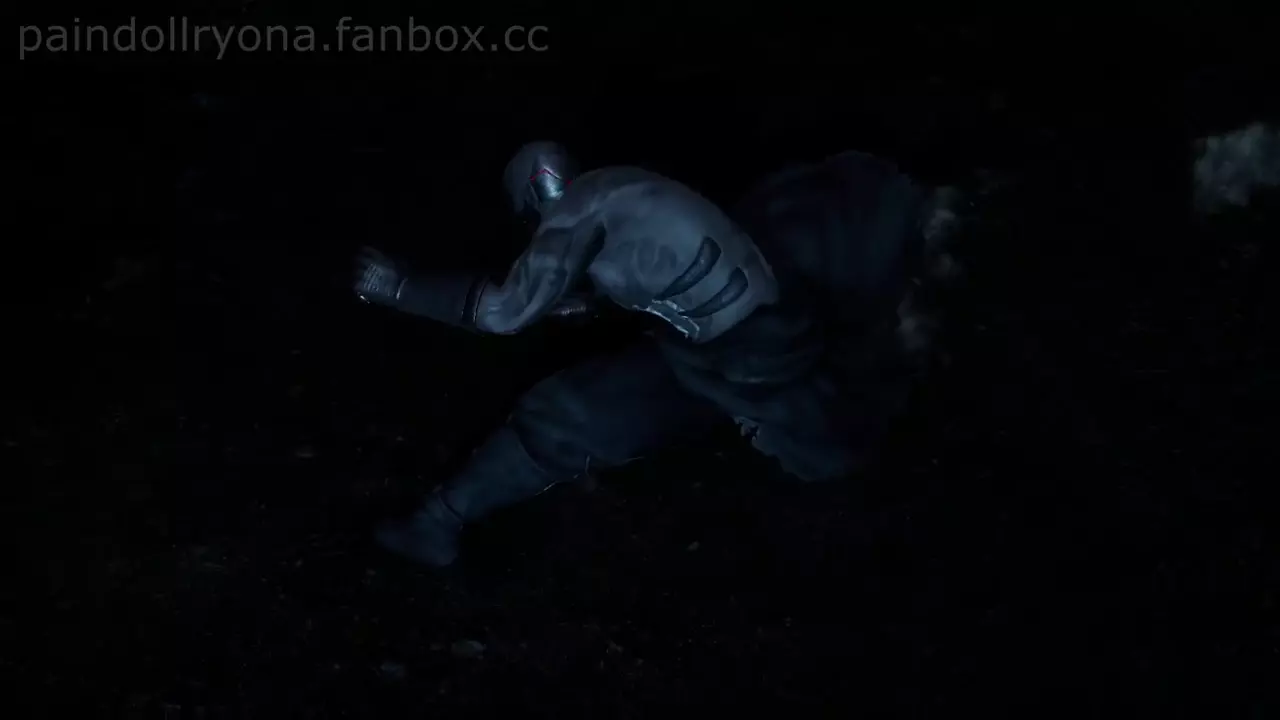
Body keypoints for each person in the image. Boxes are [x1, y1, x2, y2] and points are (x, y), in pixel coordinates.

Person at [355, 141, 961, 567]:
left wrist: (400, 288)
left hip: (751, 354)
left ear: (537, 196)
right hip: (729, 346)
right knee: (579, 410)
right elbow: (622, 289)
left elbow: (502, 313)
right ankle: (438, 522)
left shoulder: (575, 218)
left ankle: (440, 520)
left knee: (590, 411)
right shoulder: (621, 196)